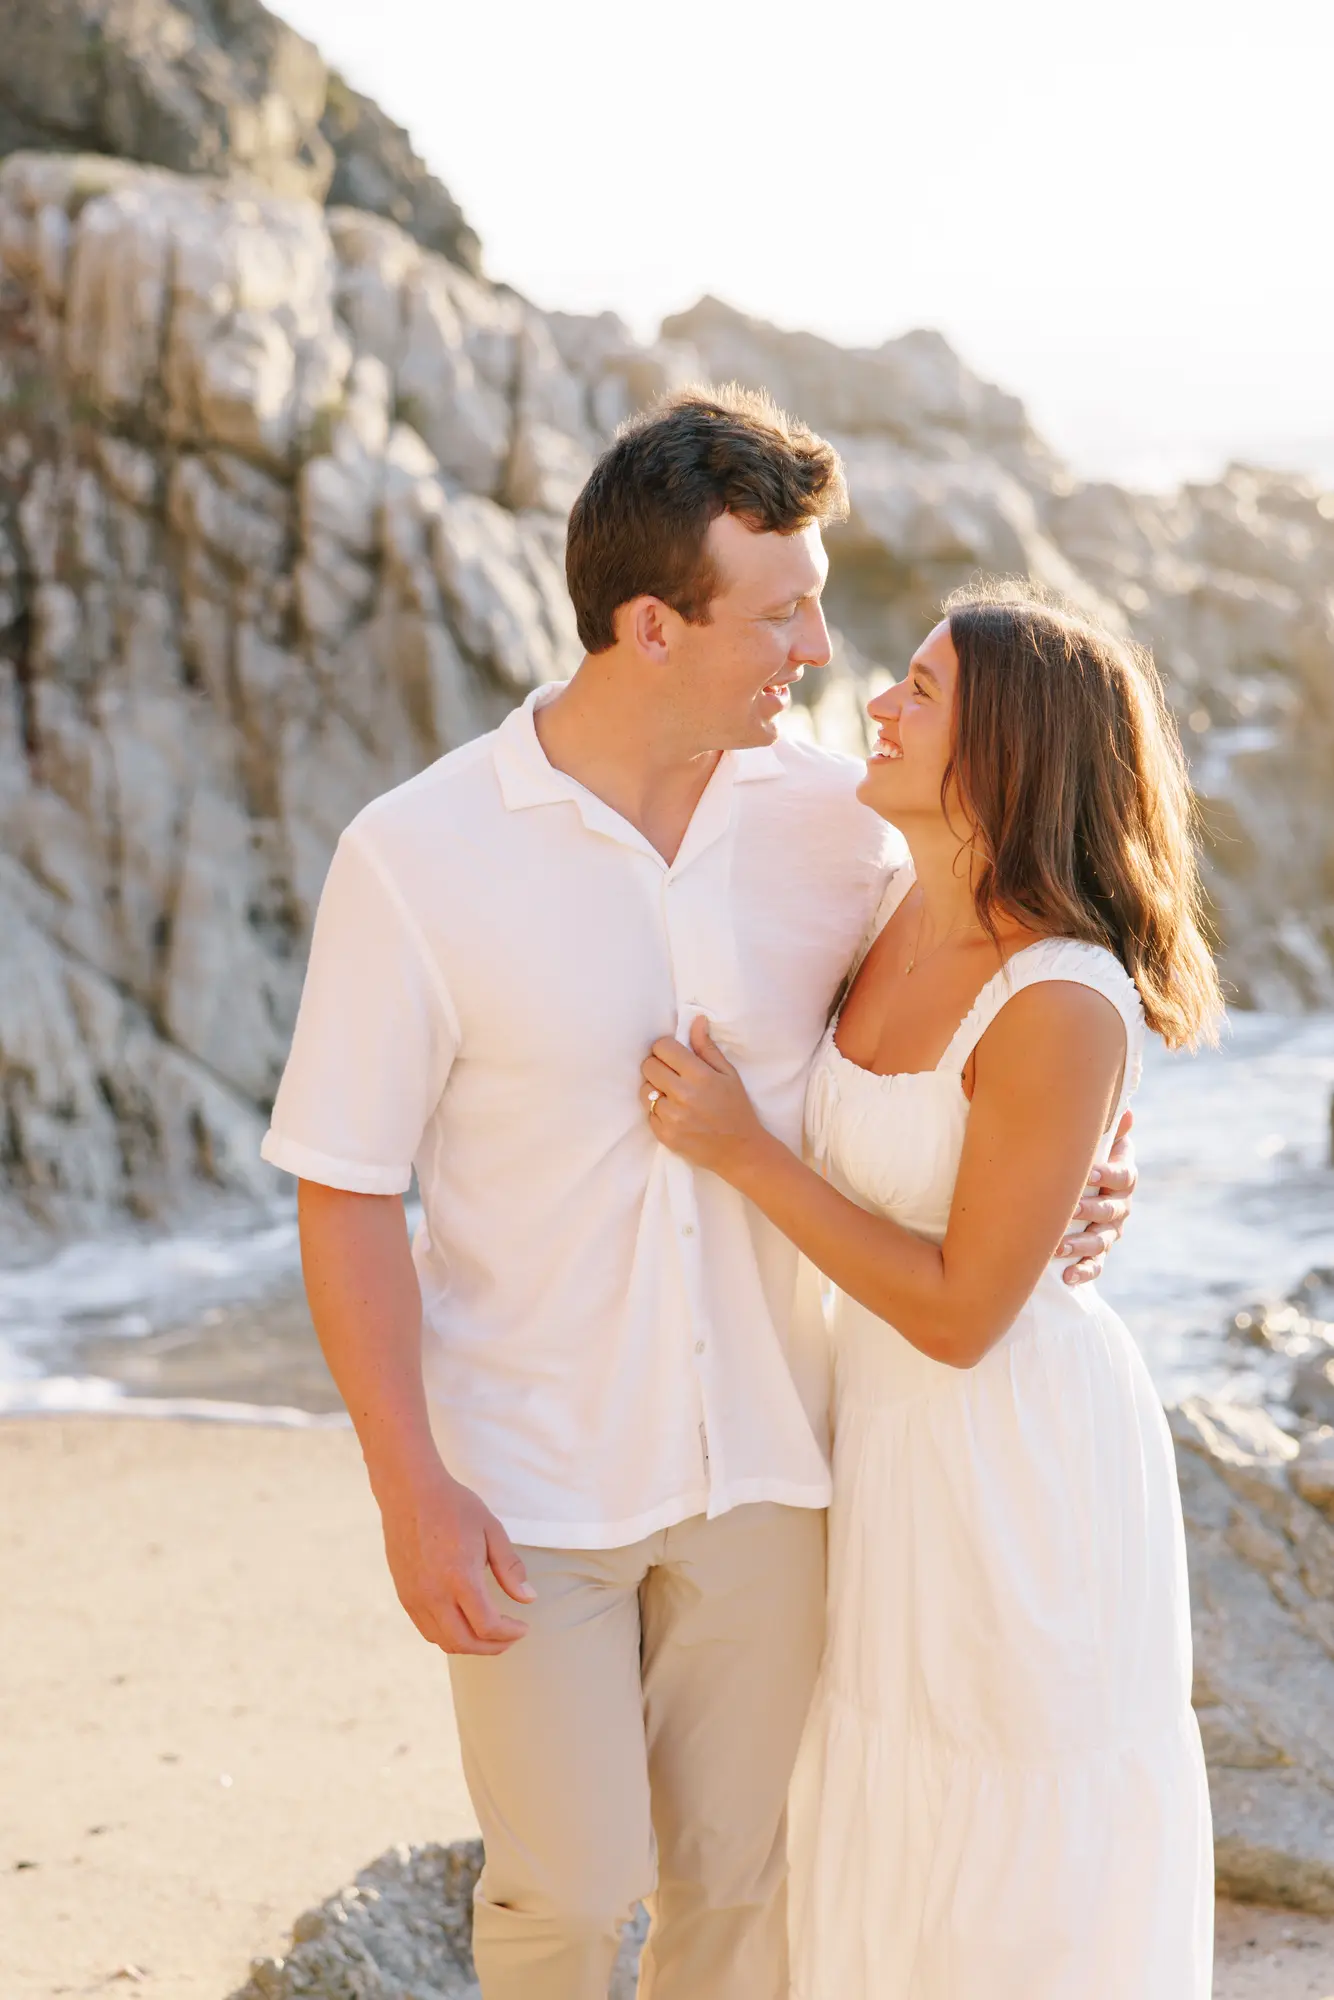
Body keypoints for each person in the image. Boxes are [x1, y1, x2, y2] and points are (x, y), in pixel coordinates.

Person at [260, 390, 1136, 2000]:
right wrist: (408, 1484)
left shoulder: (835, 830)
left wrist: (1079, 1175)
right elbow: (346, 1186)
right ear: (651, 624)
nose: (819, 649)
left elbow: (980, 1010)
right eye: (779, 611)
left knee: (740, 1892)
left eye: (817, 600)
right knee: (567, 1888)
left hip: (775, 1465)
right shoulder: (418, 854)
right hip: (531, 1476)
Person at [641, 581, 1219, 1999]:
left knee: (1012, 1836)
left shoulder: (1059, 996)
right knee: (879, 1809)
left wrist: (741, 1152)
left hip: (1013, 1456)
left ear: (1009, 748)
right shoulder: (886, 902)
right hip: (879, 1431)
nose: (880, 705)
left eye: (921, 690)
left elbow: (965, 1315)